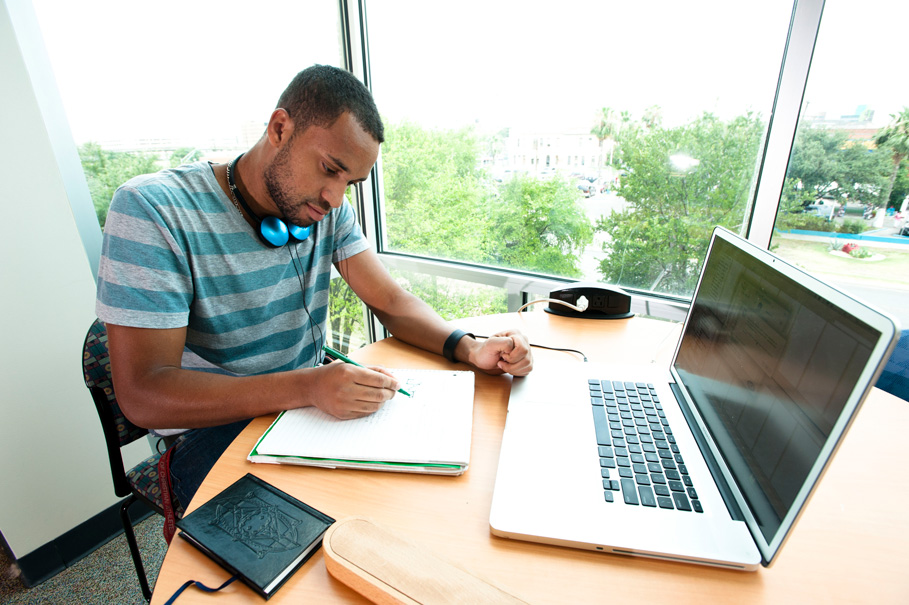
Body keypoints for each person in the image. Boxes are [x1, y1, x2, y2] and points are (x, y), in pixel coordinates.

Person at [95, 65, 533, 509]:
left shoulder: (325, 211)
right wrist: (308, 387)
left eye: (350, 183)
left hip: (305, 404)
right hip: (210, 430)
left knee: (412, 501)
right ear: (280, 128)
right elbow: (145, 395)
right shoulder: (152, 210)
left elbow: (390, 300)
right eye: (329, 169)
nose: (335, 198)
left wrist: (468, 347)